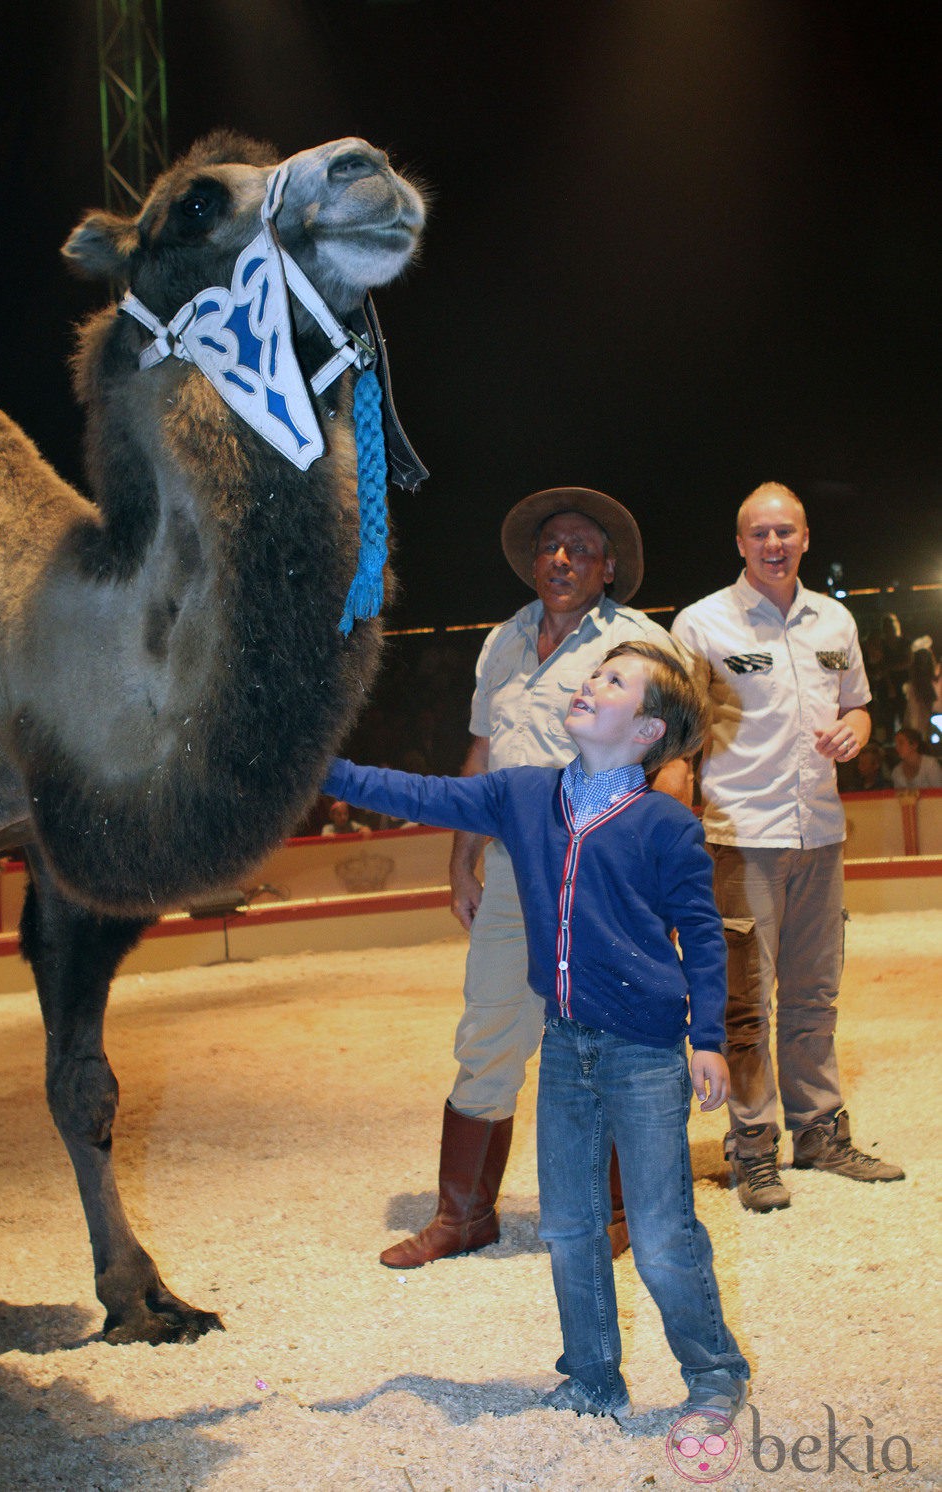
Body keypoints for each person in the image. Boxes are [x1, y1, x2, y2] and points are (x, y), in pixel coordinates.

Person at [325, 639, 751, 1422]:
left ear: (648, 730)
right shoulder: (523, 795)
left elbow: (702, 930)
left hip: (644, 1055)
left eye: (613, 680)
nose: (591, 683)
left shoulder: (667, 826)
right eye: (593, 674)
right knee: (568, 1225)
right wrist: (315, 767)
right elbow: (418, 793)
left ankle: (716, 1374)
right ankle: (592, 1377)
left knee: (659, 1232)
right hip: (564, 1046)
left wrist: (711, 1038)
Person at [378, 487, 682, 1271]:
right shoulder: (503, 642)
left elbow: (677, 761)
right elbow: (482, 754)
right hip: (515, 866)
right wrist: (461, 857)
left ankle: (623, 1214)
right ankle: (464, 1215)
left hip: (602, 867)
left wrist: (660, 873)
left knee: (611, 1033)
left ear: (609, 567)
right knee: (488, 1029)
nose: (562, 558)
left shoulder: (641, 642)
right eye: (551, 545)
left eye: (581, 548)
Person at [672, 483, 904, 1212]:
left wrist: (858, 732)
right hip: (739, 839)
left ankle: (820, 1133)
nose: (774, 544)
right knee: (743, 1002)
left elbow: (860, 707)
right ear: (739, 544)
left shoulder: (834, 620)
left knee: (815, 994)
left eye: (786, 532)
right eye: (759, 533)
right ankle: (752, 1150)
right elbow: (677, 736)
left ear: (806, 538)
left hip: (821, 834)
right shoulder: (701, 623)